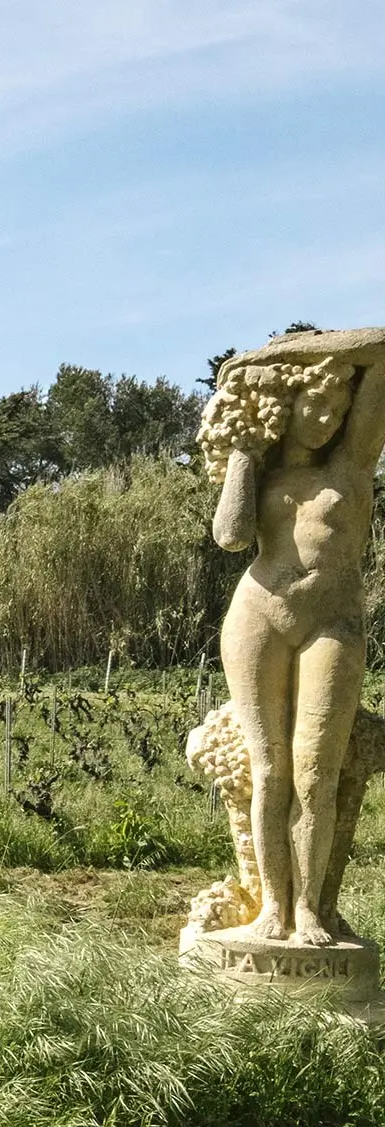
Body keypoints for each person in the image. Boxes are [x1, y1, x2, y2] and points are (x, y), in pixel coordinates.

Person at [205, 327, 385, 945]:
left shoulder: (353, 464)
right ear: (288, 409)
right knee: (269, 769)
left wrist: (256, 359)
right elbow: (229, 536)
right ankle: (272, 908)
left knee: (316, 771)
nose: (327, 419)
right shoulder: (264, 468)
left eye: (337, 408)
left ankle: (310, 908)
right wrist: (245, 453)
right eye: (315, 407)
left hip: (331, 620)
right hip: (257, 614)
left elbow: (383, 346)